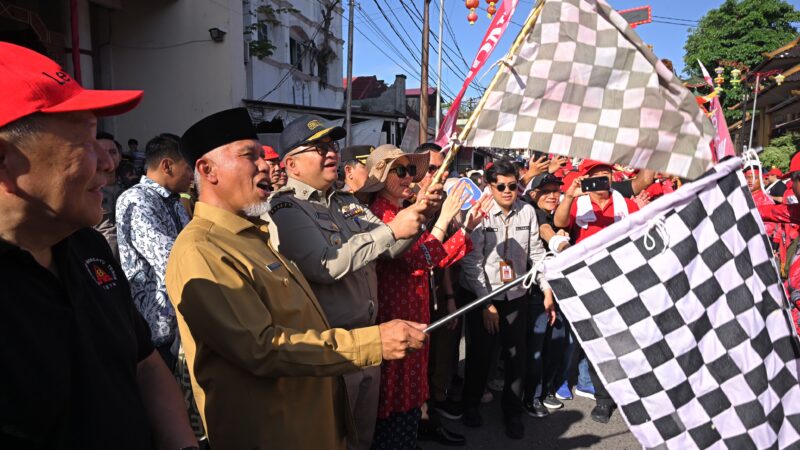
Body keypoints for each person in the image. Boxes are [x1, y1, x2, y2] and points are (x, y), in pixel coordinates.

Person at [165, 107, 429, 450]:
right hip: (275, 431)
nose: (265, 166)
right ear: (207, 170)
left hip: (313, 414)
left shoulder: (252, 235)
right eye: (250, 156)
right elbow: (261, 348)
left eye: (263, 155)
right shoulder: (202, 249)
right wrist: (372, 343)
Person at [0, 42, 196, 449]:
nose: (109, 162)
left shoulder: (87, 247)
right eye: (85, 142)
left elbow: (143, 363)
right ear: (4, 159)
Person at [265, 119, 433, 450]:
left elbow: (391, 249)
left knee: (362, 439)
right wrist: (392, 229)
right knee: (332, 441)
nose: (331, 153)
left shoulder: (345, 201)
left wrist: (420, 215)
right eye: (319, 147)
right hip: (332, 349)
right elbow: (325, 265)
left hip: (369, 341)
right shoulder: (287, 207)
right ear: (291, 163)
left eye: (332, 146)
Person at [363, 145, 483, 450]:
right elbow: (420, 260)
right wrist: (444, 219)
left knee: (410, 394)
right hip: (396, 316)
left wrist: (464, 227)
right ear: (380, 177)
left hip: (413, 311)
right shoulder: (380, 213)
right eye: (400, 171)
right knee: (396, 397)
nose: (409, 177)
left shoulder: (398, 209)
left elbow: (430, 257)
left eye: (410, 170)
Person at [459, 160, 555, 439]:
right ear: (489, 186)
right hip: (482, 294)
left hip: (516, 294)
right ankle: (470, 405)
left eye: (512, 185)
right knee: (480, 354)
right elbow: (471, 262)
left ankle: (512, 412)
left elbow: (536, 253)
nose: (507, 191)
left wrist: (546, 288)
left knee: (517, 356)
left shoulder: (527, 211)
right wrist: (486, 303)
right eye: (500, 186)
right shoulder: (480, 213)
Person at [553, 159, 640, 424]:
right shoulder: (577, 201)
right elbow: (559, 221)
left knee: (613, 341)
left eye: (607, 175)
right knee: (580, 339)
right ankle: (568, 384)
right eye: (596, 176)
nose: (603, 180)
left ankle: (606, 399)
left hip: (617, 280)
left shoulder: (626, 203)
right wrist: (569, 196)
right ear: (586, 178)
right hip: (581, 282)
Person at [116, 134, 193, 370]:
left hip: (179, 327)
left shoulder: (174, 201)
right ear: (167, 165)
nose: (193, 175)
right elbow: (171, 260)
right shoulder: (136, 199)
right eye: (189, 167)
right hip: (157, 330)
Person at [94, 132, 124, 259]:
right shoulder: (87, 192)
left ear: (120, 156)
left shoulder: (131, 188)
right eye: (101, 152)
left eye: (112, 152)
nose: (108, 158)